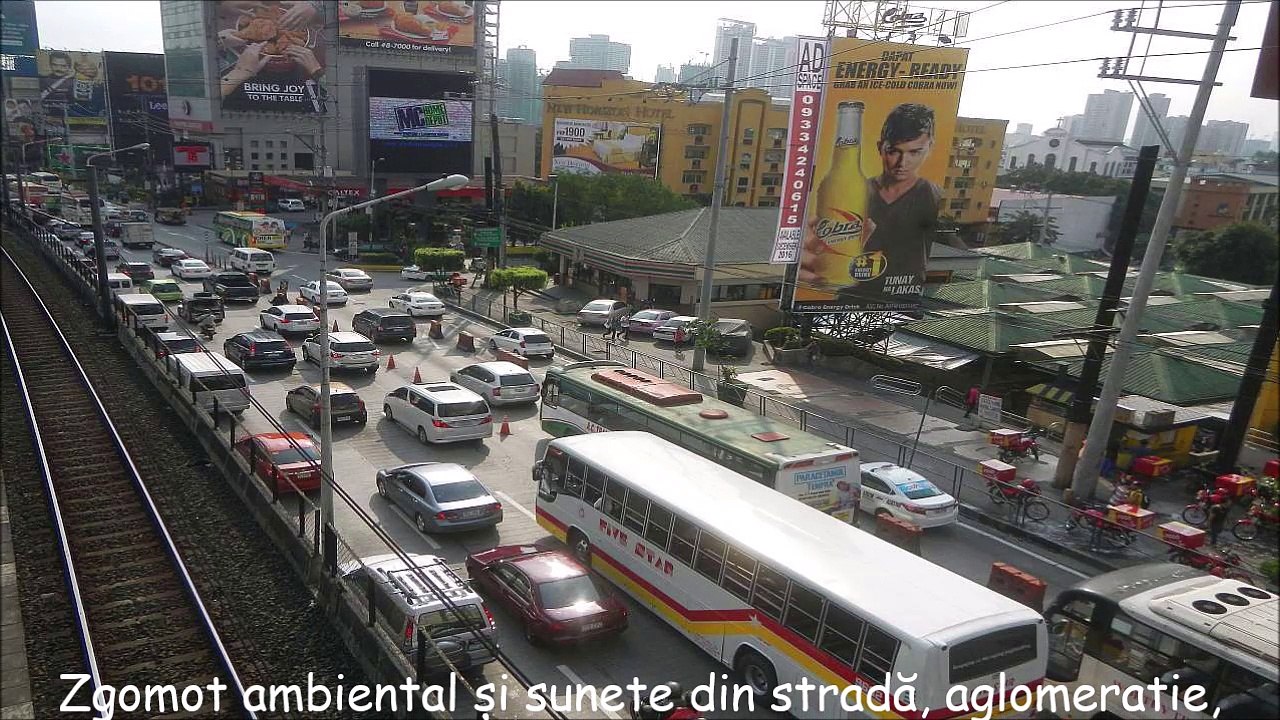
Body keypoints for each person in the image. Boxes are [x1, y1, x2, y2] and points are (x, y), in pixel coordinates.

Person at [797, 103, 942, 301]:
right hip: (846, 298)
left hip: (903, 303)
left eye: (914, 152)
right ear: (880, 147)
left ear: (930, 148)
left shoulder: (933, 196)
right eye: (893, 151)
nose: (902, 163)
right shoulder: (852, 187)